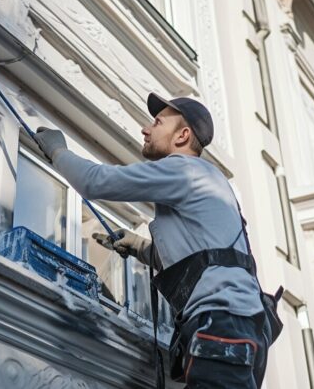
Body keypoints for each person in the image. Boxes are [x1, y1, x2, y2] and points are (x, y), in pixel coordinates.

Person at [34, 93, 270, 388]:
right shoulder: (211, 182)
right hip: (241, 328)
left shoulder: (183, 170)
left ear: (182, 136)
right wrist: (140, 247)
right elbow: (202, 257)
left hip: (221, 323)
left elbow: (96, 181)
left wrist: (58, 152)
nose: (146, 129)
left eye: (157, 123)